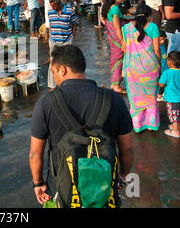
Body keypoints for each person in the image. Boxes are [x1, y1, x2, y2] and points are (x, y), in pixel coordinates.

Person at [29, 45, 134, 207]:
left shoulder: (46, 103)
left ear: (62, 70)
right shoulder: (114, 99)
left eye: (53, 71)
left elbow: (35, 153)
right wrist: (123, 175)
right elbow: (127, 149)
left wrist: (38, 183)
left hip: (61, 190)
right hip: (103, 187)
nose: (54, 77)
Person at [121, 3, 161, 133]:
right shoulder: (153, 27)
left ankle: (138, 124)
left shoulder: (126, 28)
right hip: (150, 68)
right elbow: (156, 50)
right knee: (150, 97)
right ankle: (151, 124)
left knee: (136, 97)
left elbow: (125, 48)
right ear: (149, 16)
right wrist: (159, 65)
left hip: (133, 69)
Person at [46, 0, 77, 89]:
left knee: (68, 63)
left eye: (54, 6)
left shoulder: (69, 11)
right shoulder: (50, 12)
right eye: (51, 6)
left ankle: (69, 85)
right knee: (53, 63)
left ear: (59, 3)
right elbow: (51, 25)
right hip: (54, 41)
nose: (53, 8)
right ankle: (52, 86)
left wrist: (72, 36)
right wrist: (49, 36)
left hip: (66, 41)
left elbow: (74, 24)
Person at [158, 51, 180, 139]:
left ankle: (175, 132)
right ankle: (178, 128)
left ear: (169, 61)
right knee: (179, 114)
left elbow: (161, 84)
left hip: (172, 100)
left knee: (174, 116)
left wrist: (160, 93)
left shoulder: (167, 73)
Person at [102, 0, 126, 95]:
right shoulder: (115, 9)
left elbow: (103, 20)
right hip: (117, 38)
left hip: (111, 38)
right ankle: (116, 85)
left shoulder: (108, 8)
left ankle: (114, 83)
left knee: (115, 59)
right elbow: (117, 27)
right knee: (118, 61)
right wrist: (122, 41)